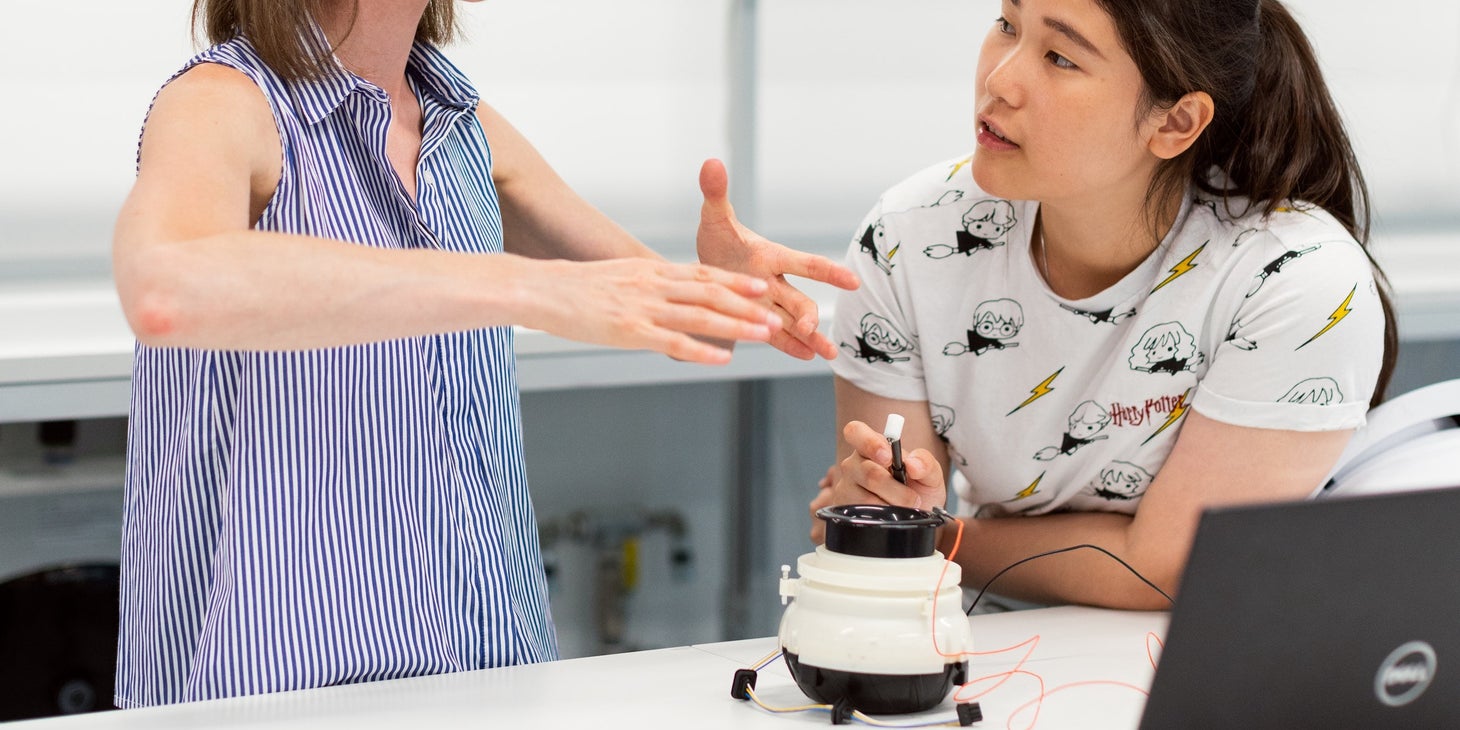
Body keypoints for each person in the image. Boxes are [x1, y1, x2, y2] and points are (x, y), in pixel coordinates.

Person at [110, 0, 857, 708]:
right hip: (285, 691)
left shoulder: (459, 120)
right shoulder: (220, 103)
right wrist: (521, 285)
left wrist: (726, 293)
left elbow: (672, 320)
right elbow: (166, 289)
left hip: (490, 670)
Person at [816, 0, 1396, 611]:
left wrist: (939, 539)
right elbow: (892, 524)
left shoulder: (1293, 277)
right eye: (1008, 24)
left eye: (1060, 57)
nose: (999, 81)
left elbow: (1170, 567)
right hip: (984, 640)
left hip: (1210, 647)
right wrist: (888, 509)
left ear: (1175, 123)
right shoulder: (908, 235)